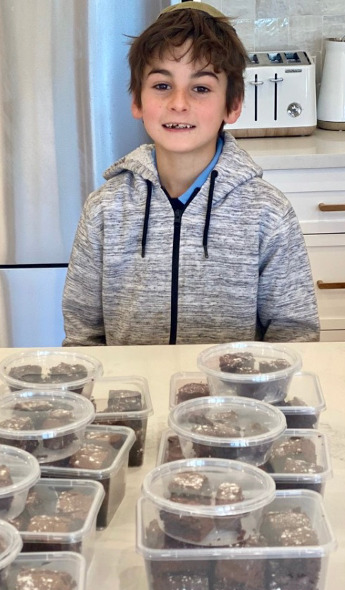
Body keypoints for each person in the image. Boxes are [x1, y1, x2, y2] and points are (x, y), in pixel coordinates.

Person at [62, 2, 319, 346]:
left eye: (200, 88)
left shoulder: (268, 213)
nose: (179, 103)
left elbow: (295, 335)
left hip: (235, 399)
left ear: (233, 104)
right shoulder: (104, 209)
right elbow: (83, 335)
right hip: (136, 399)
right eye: (162, 86)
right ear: (137, 101)